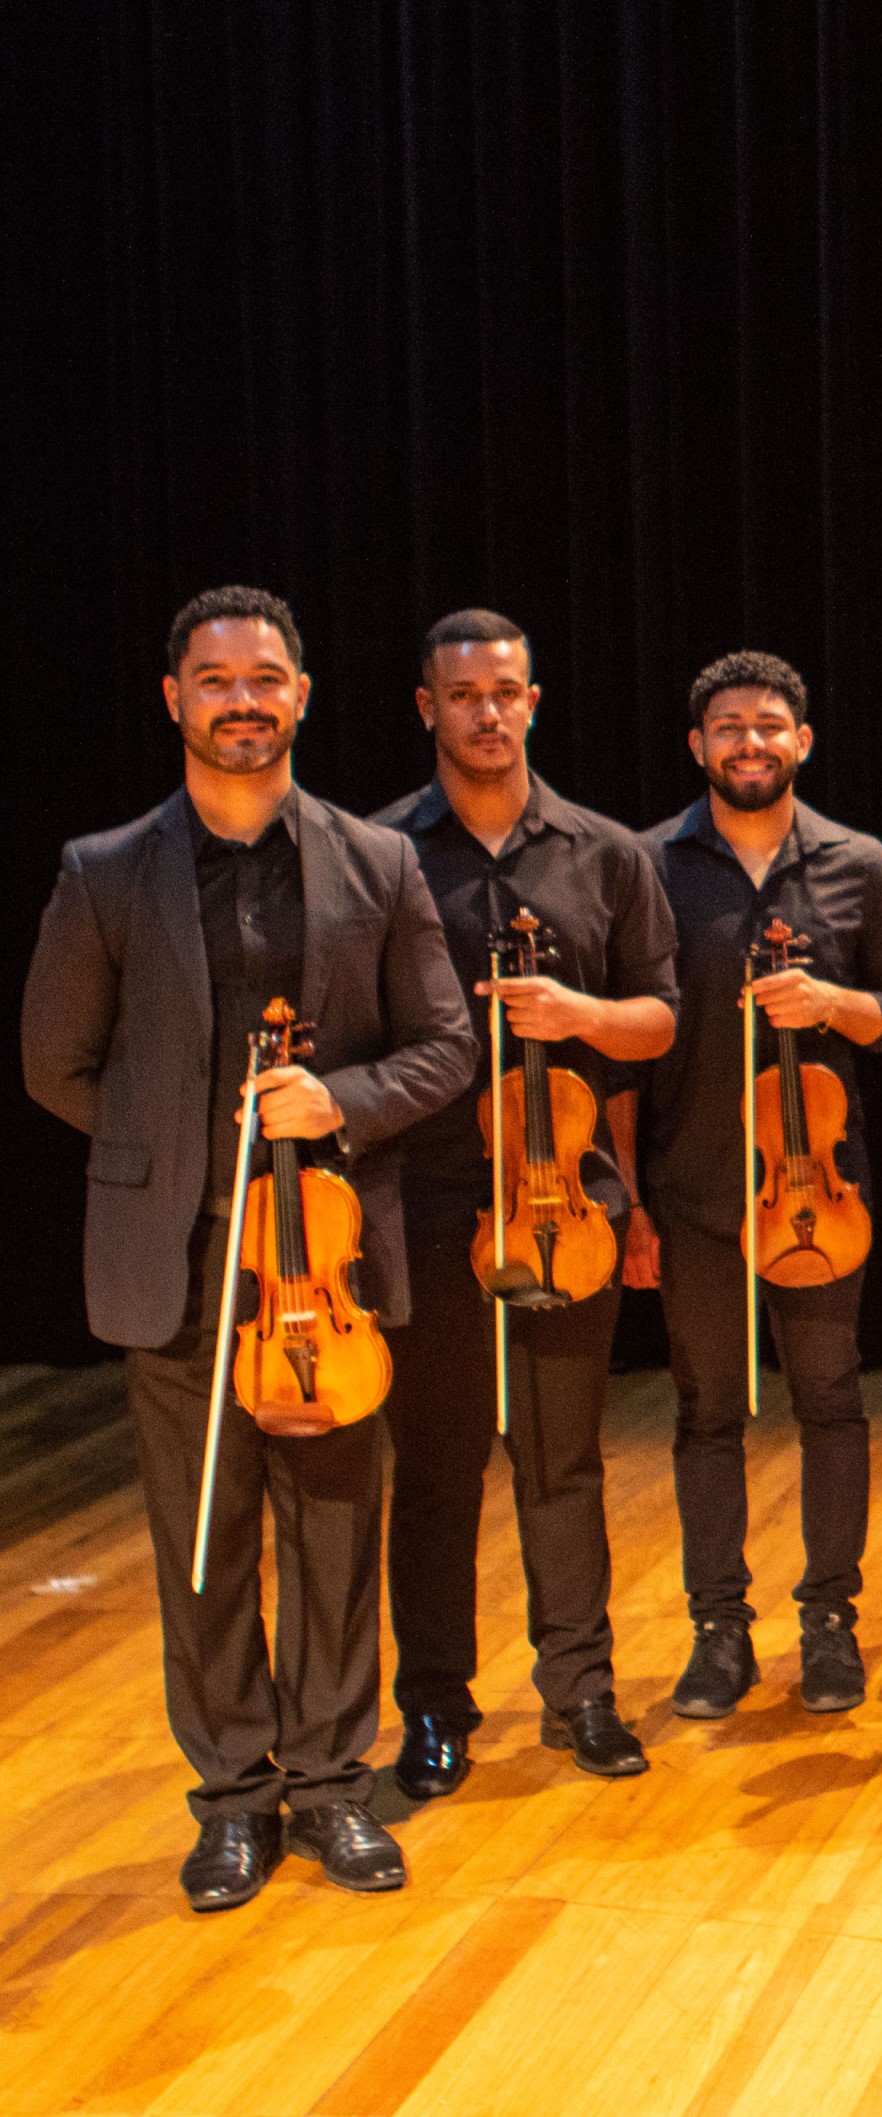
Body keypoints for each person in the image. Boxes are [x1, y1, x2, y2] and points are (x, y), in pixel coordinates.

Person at [22, 586, 473, 1909]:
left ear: (301, 694)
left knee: (335, 1535)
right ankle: (232, 1797)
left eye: (265, 677)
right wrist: (173, 1144)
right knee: (206, 1539)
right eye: (215, 678)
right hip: (178, 1262)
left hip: (324, 1259)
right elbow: (56, 1061)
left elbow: (446, 1046)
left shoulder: (377, 863)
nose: (241, 699)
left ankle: (333, 1789)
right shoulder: (104, 870)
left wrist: (345, 1101)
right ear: (175, 698)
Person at [371, 608, 677, 1796]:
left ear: (533, 700)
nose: (486, 712)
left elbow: (656, 1019)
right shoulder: (383, 853)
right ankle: (437, 1707)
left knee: (562, 1463)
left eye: (505, 692)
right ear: (428, 709)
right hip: (433, 1199)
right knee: (438, 1468)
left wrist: (580, 1017)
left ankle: (582, 1693)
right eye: (462, 695)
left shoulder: (606, 853)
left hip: (567, 1203)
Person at [611, 650, 882, 1722]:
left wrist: (834, 1002)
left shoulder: (858, 864)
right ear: (698, 745)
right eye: (729, 725)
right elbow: (626, 1048)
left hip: (818, 1192)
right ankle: (718, 1629)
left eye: (771, 723)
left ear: (803, 741)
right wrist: (634, 1204)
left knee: (831, 1404)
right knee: (706, 1413)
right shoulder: (647, 866)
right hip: (693, 1189)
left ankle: (829, 1619)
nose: (751, 741)